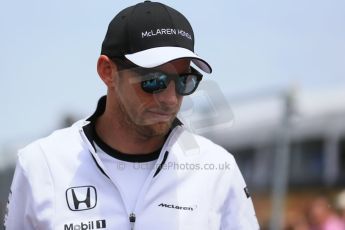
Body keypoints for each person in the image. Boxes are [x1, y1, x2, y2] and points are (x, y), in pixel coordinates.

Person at [4, 1, 259, 229]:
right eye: (154, 81)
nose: (170, 99)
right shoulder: (41, 164)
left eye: (184, 81)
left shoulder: (217, 169)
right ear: (107, 71)